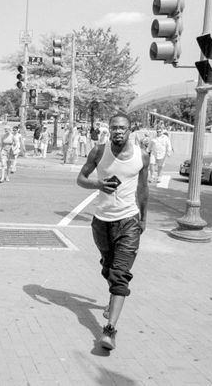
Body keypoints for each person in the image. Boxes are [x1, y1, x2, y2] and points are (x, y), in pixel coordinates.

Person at [76, 112, 149, 351]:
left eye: (123, 128)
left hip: (129, 221)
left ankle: (109, 330)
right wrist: (98, 184)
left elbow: (143, 188)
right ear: (109, 129)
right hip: (101, 222)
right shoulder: (98, 152)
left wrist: (144, 216)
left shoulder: (142, 156)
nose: (118, 131)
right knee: (108, 268)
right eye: (114, 127)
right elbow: (81, 178)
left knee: (120, 274)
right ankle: (112, 297)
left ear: (130, 130)